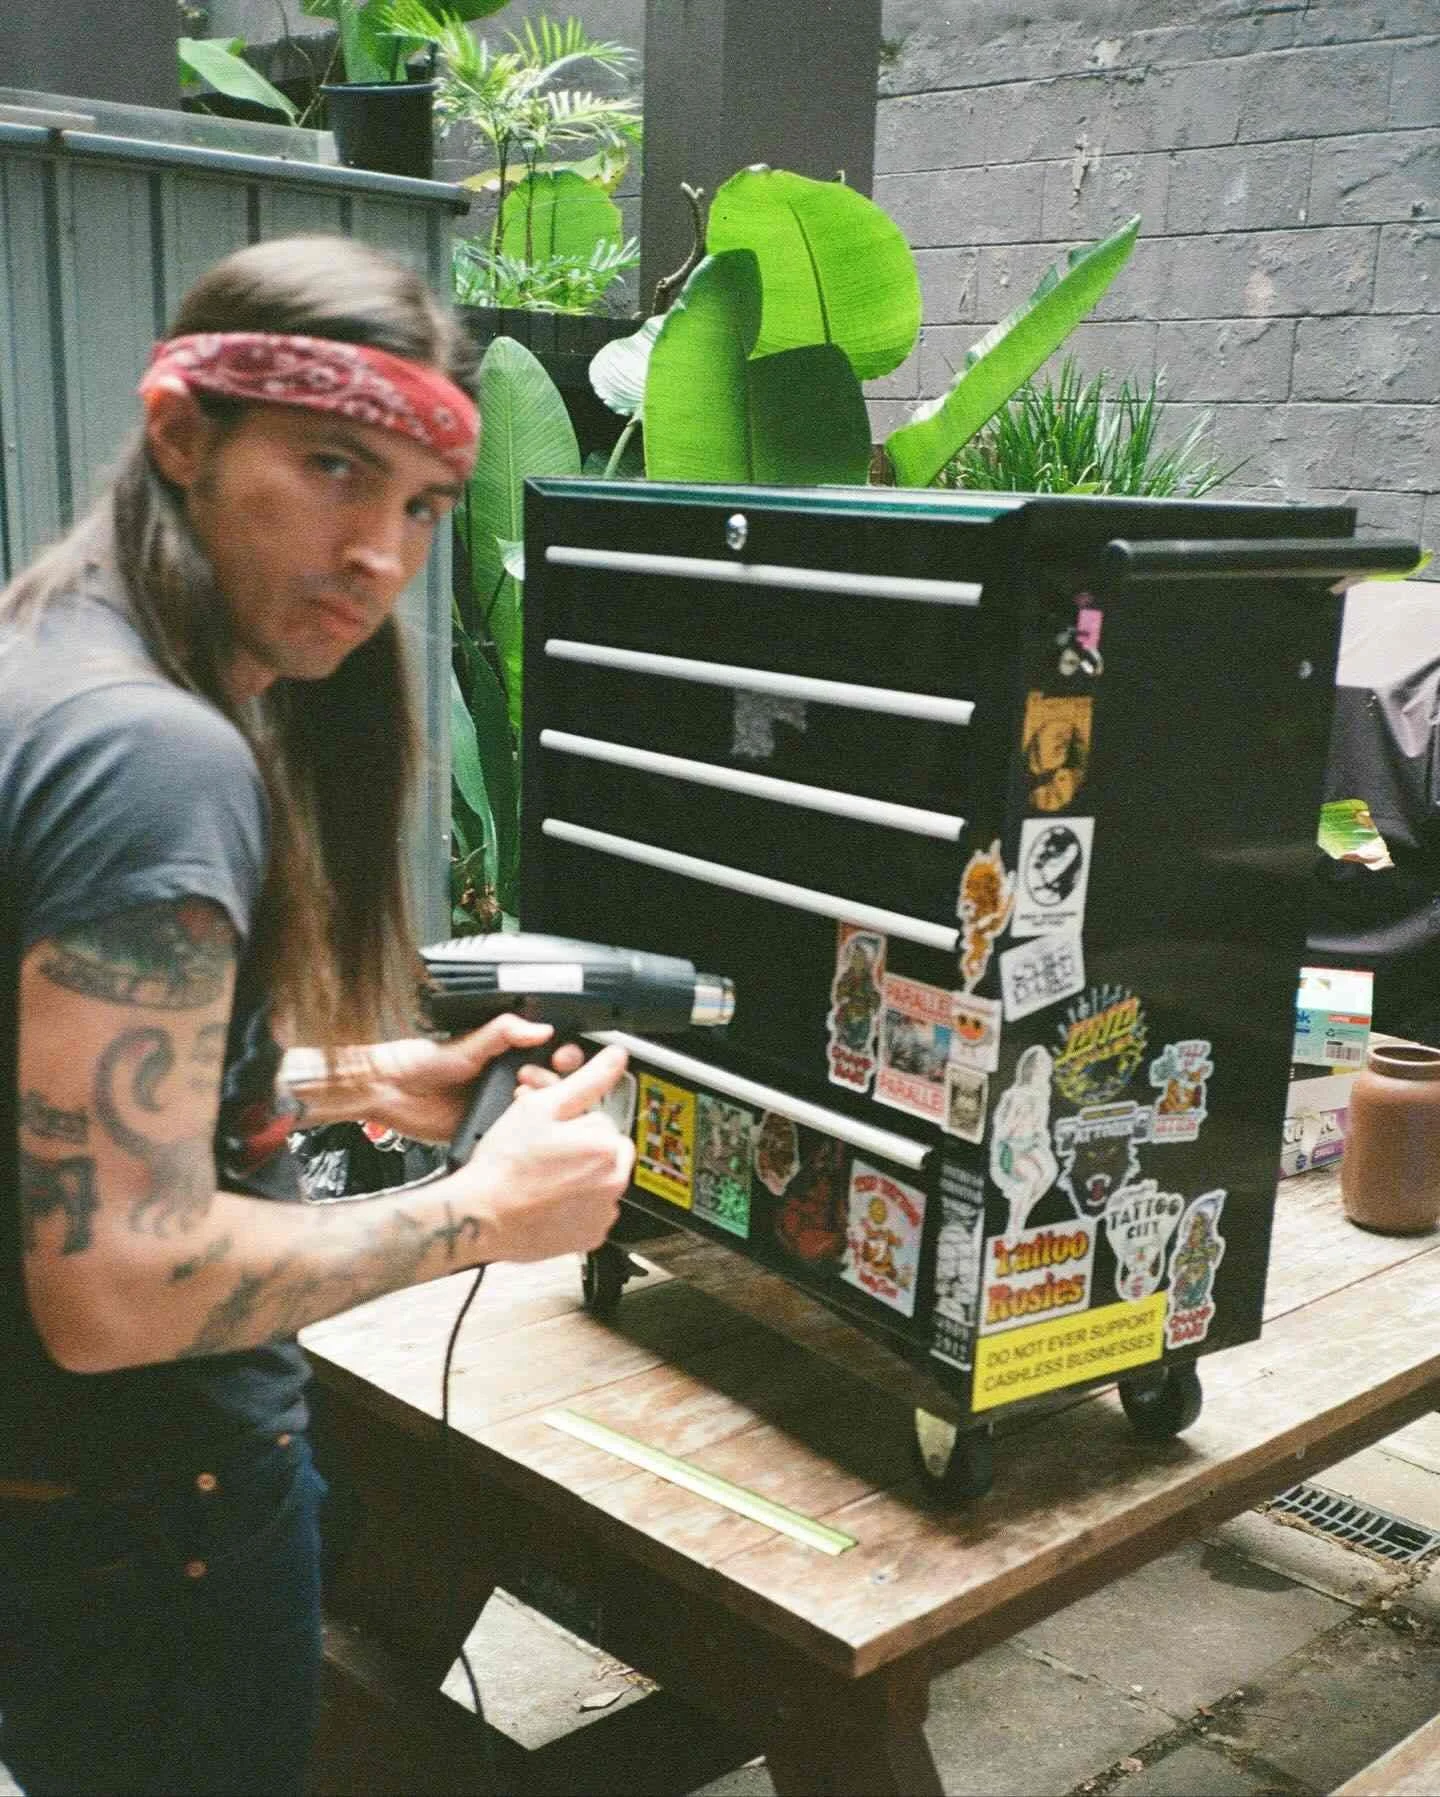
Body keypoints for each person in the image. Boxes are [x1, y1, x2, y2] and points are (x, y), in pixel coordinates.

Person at [0, 234, 635, 1796]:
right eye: (335, 468)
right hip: (150, 1526)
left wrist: (354, 1082)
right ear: (181, 435)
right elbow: (122, 1287)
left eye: (419, 504)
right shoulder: (159, 757)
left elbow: (67, 1107)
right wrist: (483, 1212)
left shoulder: (46, 651)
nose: (383, 554)